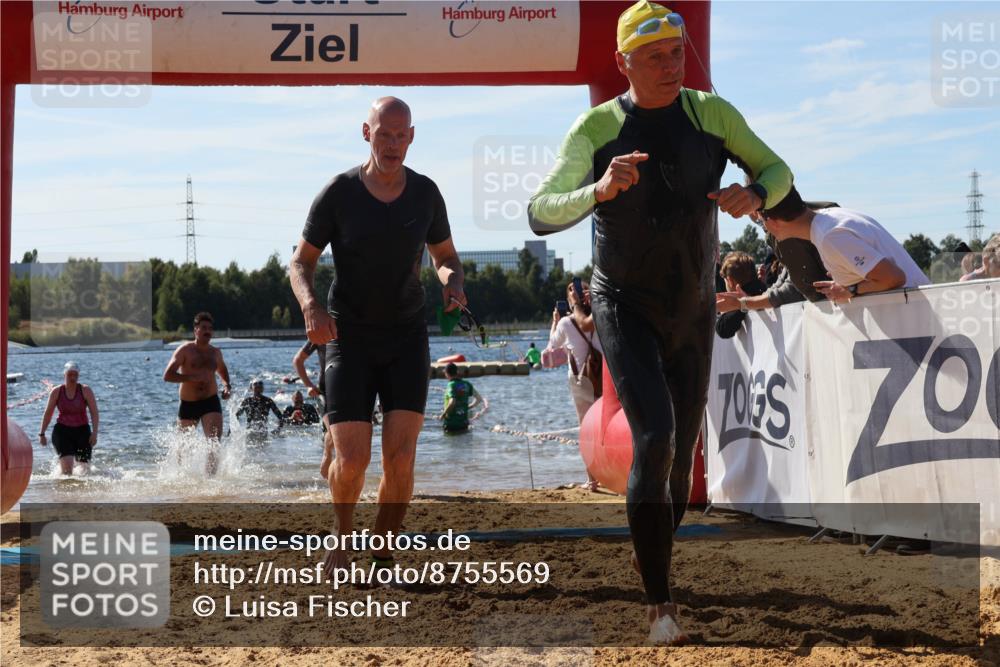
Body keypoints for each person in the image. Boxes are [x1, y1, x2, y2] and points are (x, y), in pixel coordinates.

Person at [528, 1, 792, 644]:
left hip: (694, 305)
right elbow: (540, 212)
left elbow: (780, 173)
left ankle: (651, 544)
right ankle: (659, 605)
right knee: (653, 437)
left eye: (676, 51)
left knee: (679, 462)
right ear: (624, 63)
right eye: (655, 56)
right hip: (622, 302)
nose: (672, 64)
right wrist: (597, 190)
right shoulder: (597, 127)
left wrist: (754, 194)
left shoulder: (711, 113)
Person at [289, 96, 467, 577]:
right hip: (349, 336)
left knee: (401, 457)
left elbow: (445, 255)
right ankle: (341, 538)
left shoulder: (426, 194)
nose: (392, 144)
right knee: (352, 461)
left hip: (407, 335)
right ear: (366, 134)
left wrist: (452, 282)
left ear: (412, 136)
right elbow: (300, 262)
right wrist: (311, 306)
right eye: (383, 134)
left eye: (400, 134)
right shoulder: (338, 193)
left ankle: (383, 549)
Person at [759, 187, 930, 302]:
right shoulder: (829, 219)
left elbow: (894, 278)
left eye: (762, 222)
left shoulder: (830, 236)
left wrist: (850, 290)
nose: (764, 228)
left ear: (773, 222)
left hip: (913, 317)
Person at [544, 279, 603, 491]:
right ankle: (611, 472)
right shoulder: (601, 316)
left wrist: (555, 320)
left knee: (586, 429)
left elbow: (551, 346)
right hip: (605, 378)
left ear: (572, 300)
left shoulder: (566, 323)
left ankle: (592, 480)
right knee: (605, 427)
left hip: (581, 380)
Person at [162, 311, 232, 474]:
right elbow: (167, 375)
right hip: (189, 403)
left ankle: (210, 480)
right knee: (183, 446)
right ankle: (179, 477)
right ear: (195, 330)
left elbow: (222, 369)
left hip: (211, 401)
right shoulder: (185, 350)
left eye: (210, 328)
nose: (207, 331)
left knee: (214, 442)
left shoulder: (215, 352)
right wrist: (190, 377)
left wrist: (227, 385)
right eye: (203, 328)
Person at [38, 361, 99, 475]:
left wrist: (94, 433)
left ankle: (78, 492)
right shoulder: (56, 391)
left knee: (84, 471)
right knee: (67, 472)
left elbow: (94, 413)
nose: (72, 377)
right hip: (62, 432)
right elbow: (48, 413)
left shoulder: (85, 390)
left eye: (75, 375)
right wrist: (42, 434)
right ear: (64, 375)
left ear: (78, 376)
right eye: (70, 374)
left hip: (82, 431)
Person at [715, 252, 766, 339]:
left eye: (725, 281)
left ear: (730, 281)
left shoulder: (745, 298)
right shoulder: (764, 291)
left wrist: (738, 304)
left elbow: (722, 329)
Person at [439, 363, 481, 434]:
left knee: (450, 443)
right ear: (457, 372)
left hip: (451, 424)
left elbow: (452, 402)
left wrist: (443, 414)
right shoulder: (467, 384)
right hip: (464, 423)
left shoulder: (451, 385)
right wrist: (468, 407)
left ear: (447, 374)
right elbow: (479, 399)